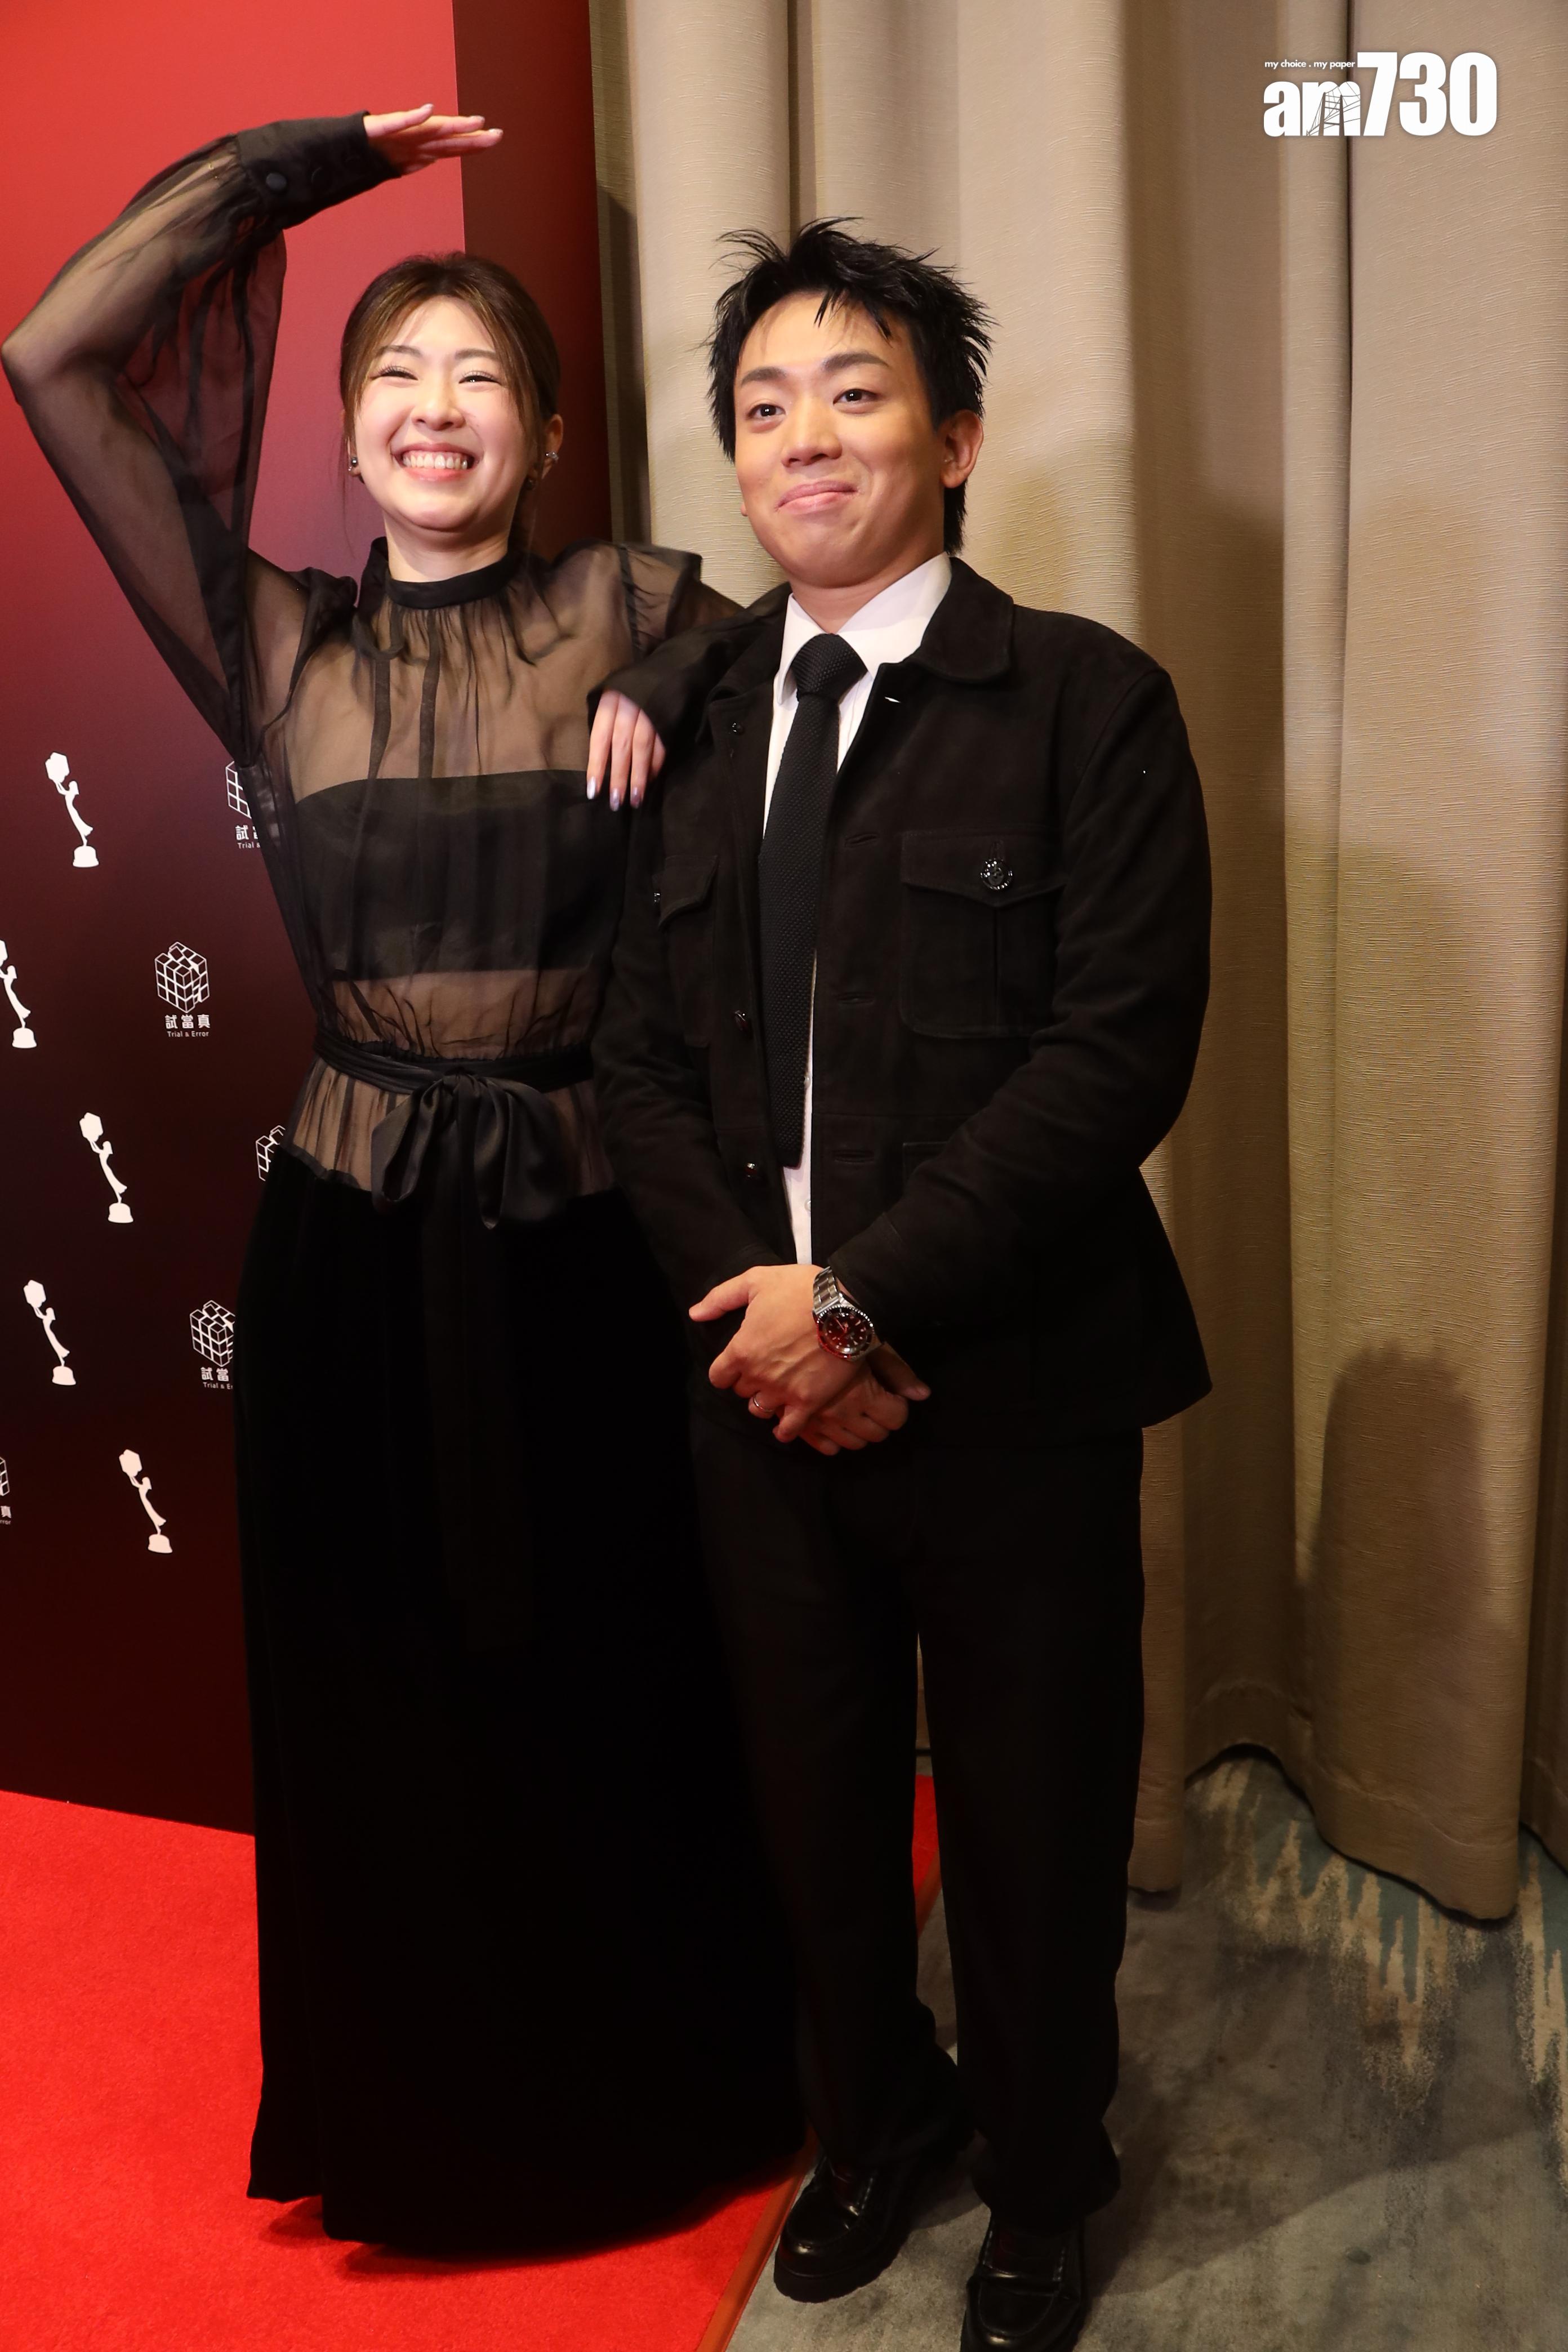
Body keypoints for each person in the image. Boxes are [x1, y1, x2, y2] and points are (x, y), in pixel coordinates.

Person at [3, 106, 801, 2251]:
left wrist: (670, 665)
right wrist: (313, 163)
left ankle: (644, 2101)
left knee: (615, 1675)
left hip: (589, 1236)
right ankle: (416, 2131)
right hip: (352, 1241)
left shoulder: (632, 604)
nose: (438, 408)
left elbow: (799, 632)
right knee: (379, 1689)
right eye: (398, 376)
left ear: (546, 435)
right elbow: (58, 353)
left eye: (481, 376)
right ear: (351, 437)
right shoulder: (275, 647)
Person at [592, 223, 1211, 2351]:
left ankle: (1042, 2177)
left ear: (953, 437)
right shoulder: (684, 719)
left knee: (1034, 1825)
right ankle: (876, 2127)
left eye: (854, 393)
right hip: (755, 1392)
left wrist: (859, 1305)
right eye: (764, 407)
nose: (805, 438)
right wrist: (764, 1318)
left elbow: (1116, 1055)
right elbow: (635, 1063)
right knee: (818, 1814)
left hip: (1012, 1386)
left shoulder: (1088, 702)